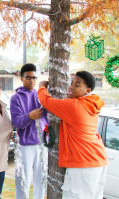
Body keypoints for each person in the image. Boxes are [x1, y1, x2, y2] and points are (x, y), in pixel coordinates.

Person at [38, 71, 108, 199]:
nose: (71, 86)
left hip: (83, 163)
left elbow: (46, 101)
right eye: (71, 83)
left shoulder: (75, 106)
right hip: (97, 160)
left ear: (87, 90)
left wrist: (42, 86)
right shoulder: (91, 104)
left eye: (77, 85)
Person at [10, 63, 49, 199]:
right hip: (25, 146)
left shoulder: (41, 95)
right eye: (28, 77)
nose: (32, 81)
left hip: (42, 145)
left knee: (41, 181)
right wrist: (29, 116)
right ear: (21, 78)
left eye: (34, 78)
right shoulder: (16, 98)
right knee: (23, 182)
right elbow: (16, 122)